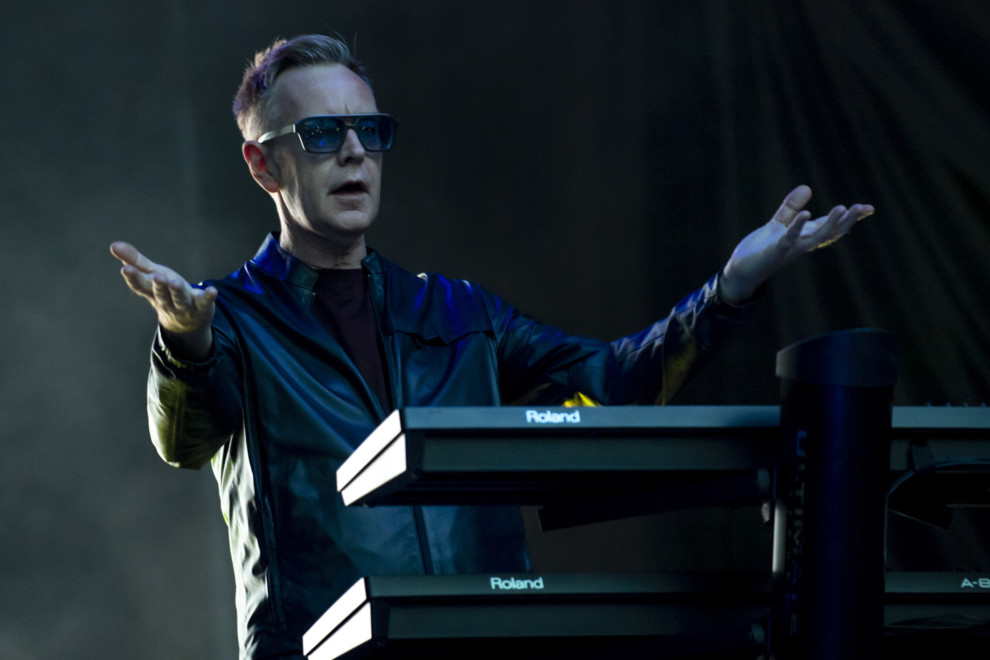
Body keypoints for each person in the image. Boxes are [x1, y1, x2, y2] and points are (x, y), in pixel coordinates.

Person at [110, 34, 873, 660]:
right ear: (263, 164)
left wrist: (729, 289)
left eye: (370, 131)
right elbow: (183, 440)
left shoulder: (458, 312)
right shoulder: (230, 319)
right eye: (321, 134)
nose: (354, 153)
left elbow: (608, 385)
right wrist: (184, 341)